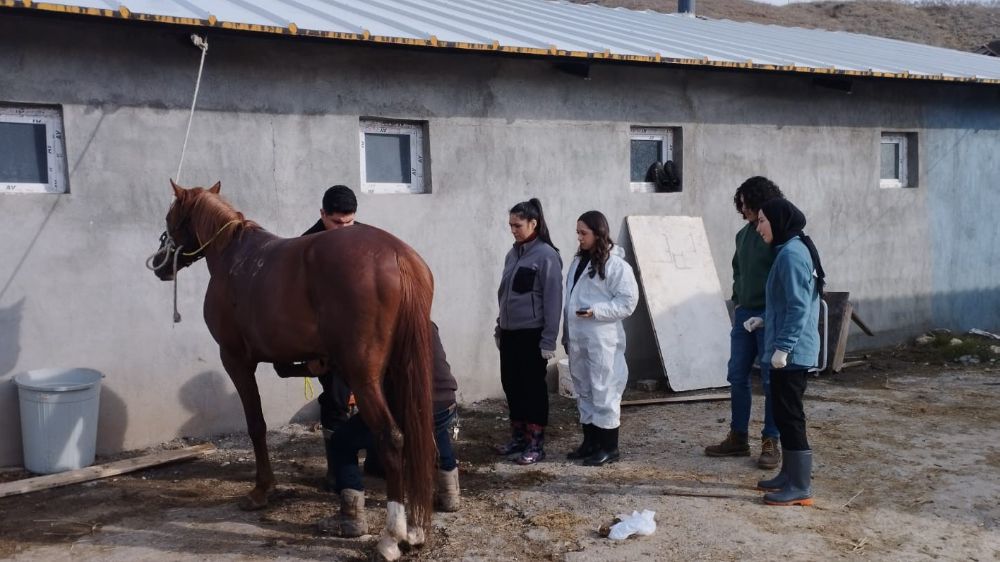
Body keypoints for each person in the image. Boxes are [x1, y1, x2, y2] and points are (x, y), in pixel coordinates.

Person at [301, 185, 461, 536]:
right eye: (335, 223)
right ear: (322, 214)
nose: (343, 231)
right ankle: (447, 490)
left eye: (349, 223)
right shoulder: (310, 249)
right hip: (440, 393)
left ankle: (352, 509)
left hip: (376, 375)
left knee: (364, 431)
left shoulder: (369, 256)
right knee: (423, 423)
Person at [705, 176, 785, 470]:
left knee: (769, 379)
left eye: (744, 204)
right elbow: (738, 270)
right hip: (744, 314)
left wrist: (768, 315)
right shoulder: (742, 235)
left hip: (768, 315)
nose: (742, 210)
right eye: (739, 205)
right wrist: (739, 302)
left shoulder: (776, 236)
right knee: (737, 374)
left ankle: (770, 441)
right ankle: (738, 436)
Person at [754, 197, 824, 507]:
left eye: (762, 221)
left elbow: (798, 307)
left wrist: (783, 346)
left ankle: (800, 486)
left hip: (792, 355)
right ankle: (788, 475)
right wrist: (765, 321)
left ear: (779, 221)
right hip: (788, 351)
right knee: (783, 415)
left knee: (791, 417)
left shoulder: (792, 254)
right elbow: (788, 305)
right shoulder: (789, 250)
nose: (758, 228)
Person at [562, 211, 638, 466]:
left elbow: (628, 303)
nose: (579, 237)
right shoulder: (579, 262)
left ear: (598, 233)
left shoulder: (616, 266)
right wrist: (567, 333)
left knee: (604, 388)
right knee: (583, 388)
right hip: (579, 338)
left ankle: (609, 447)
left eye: (584, 233)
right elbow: (569, 300)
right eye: (578, 232)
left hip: (602, 339)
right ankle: (590, 442)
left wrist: (597, 311)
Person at [494, 198, 563, 465]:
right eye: (510, 225)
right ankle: (518, 438)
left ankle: (536, 443)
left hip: (532, 335)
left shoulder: (546, 256)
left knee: (532, 389)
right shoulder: (513, 254)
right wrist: (500, 326)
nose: (513, 229)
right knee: (511, 385)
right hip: (510, 334)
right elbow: (505, 294)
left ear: (533, 223)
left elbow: (553, 301)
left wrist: (548, 340)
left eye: (518, 225)